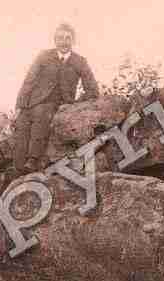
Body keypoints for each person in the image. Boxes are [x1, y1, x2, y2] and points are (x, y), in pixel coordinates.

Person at [13, 23, 99, 173]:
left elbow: (92, 89)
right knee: (22, 124)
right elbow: (29, 80)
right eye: (60, 38)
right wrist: (20, 106)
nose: (64, 42)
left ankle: (33, 160)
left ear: (73, 41)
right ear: (55, 40)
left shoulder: (80, 61)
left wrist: (75, 105)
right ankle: (18, 168)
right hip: (33, 101)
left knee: (42, 114)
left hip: (58, 103)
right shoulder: (44, 56)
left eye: (67, 38)